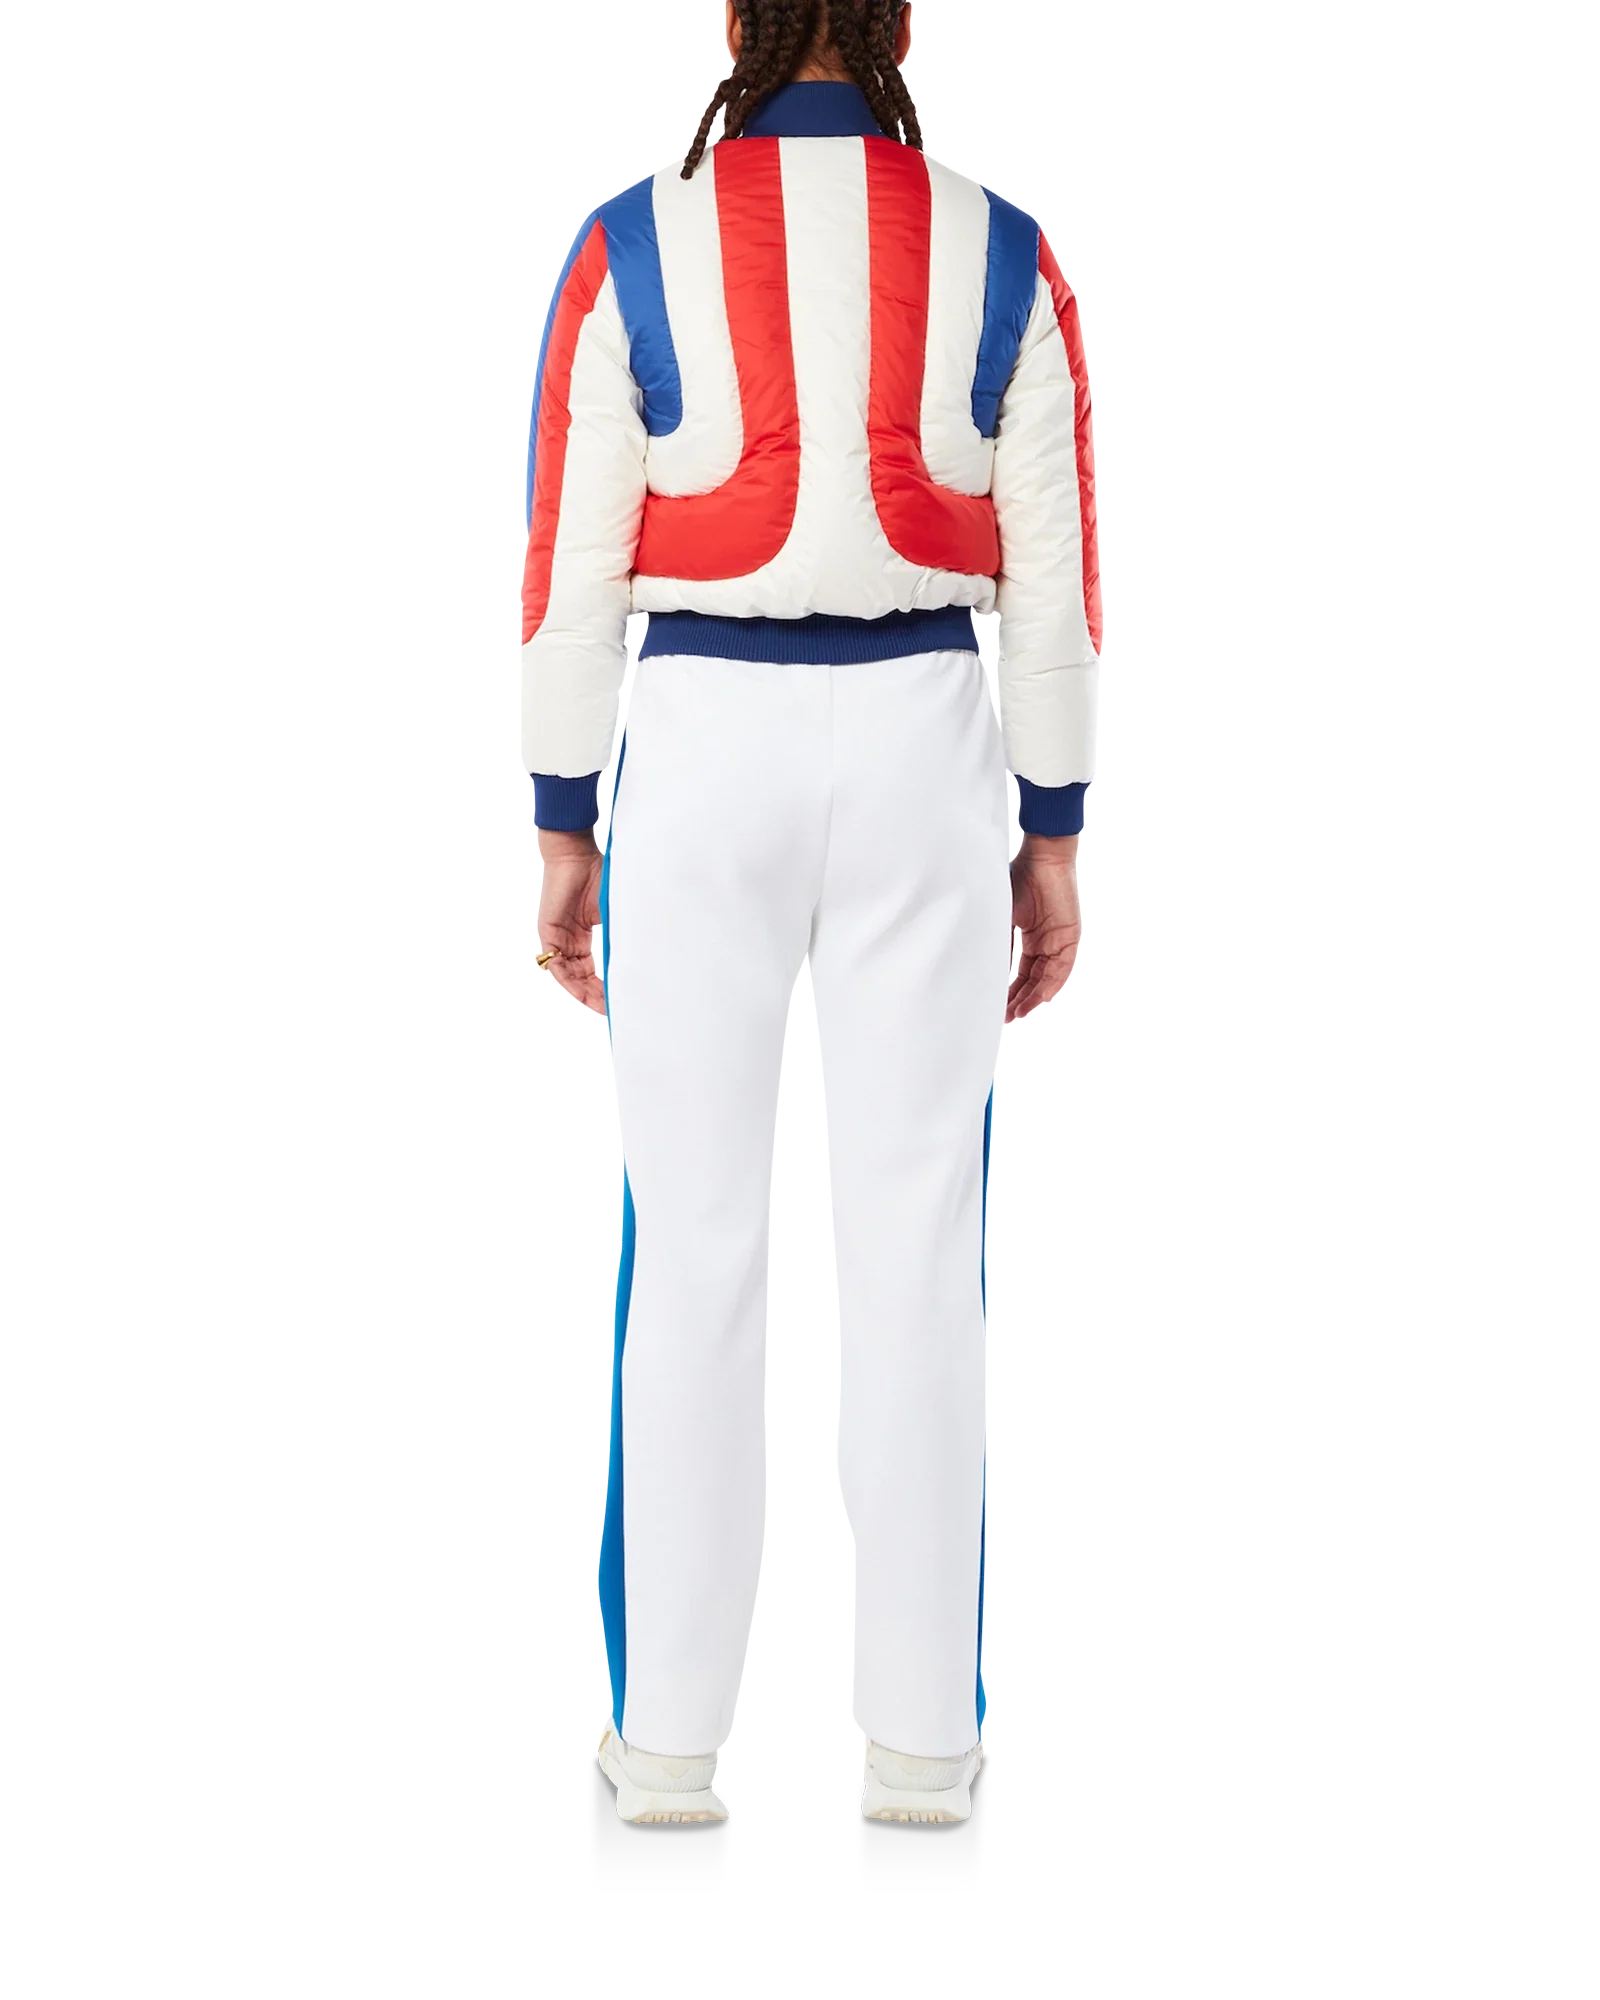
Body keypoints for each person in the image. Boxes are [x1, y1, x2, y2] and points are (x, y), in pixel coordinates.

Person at [523, 0, 1103, 1824]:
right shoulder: (1000, 248)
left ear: (737, 20)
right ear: (900, 20)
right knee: (915, 1247)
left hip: (699, 743)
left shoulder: (633, 238)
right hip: (932, 742)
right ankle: (922, 1753)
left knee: (693, 1247)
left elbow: (572, 566)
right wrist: (1052, 832)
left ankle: (669, 1750)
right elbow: (1053, 575)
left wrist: (561, 819)